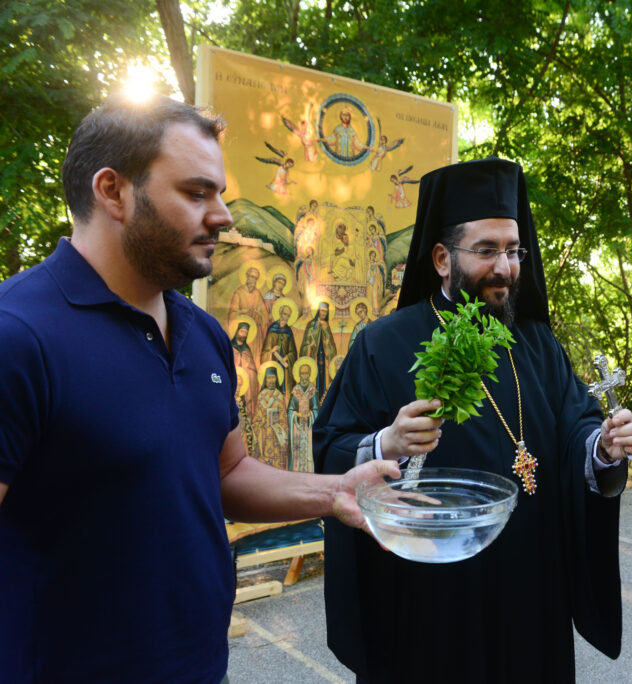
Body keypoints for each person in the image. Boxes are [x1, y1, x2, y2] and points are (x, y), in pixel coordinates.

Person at [0, 94, 399, 683]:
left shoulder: (202, 332)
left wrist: (338, 490)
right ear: (112, 191)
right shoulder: (18, 335)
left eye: (220, 193)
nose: (224, 215)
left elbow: (226, 473)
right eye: (196, 193)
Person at [312, 157, 632, 683]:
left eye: (513, 251)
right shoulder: (382, 344)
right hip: (428, 602)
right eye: (487, 250)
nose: (505, 267)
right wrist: (387, 442)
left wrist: (602, 448)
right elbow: (332, 446)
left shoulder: (538, 343)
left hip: (531, 594)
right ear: (442, 259)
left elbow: (576, 427)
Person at [299, 300, 337, 401]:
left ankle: (324, 399)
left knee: (324, 380)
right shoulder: (311, 325)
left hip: (324, 359)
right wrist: (310, 346)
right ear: (318, 311)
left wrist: (328, 345)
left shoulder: (327, 326)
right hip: (313, 358)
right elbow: (305, 344)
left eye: (326, 311)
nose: (324, 313)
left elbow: (332, 346)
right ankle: (314, 400)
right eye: (322, 310)